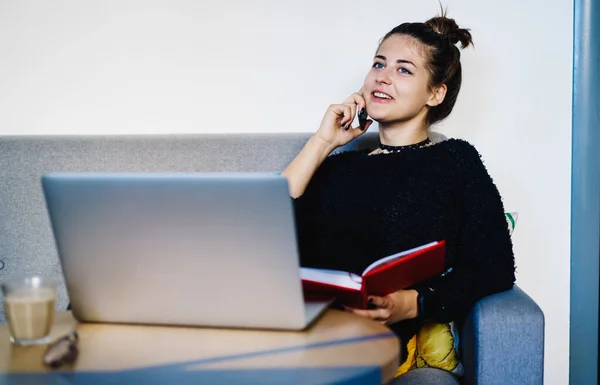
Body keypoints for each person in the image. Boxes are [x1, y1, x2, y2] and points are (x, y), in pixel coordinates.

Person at [282, 9, 516, 384]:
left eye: (403, 70)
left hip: (368, 344)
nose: (382, 77)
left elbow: (494, 267)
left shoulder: (455, 162)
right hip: (302, 330)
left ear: (435, 93)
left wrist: (413, 302)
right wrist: (322, 142)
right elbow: (264, 232)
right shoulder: (340, 166)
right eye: (379, 64)